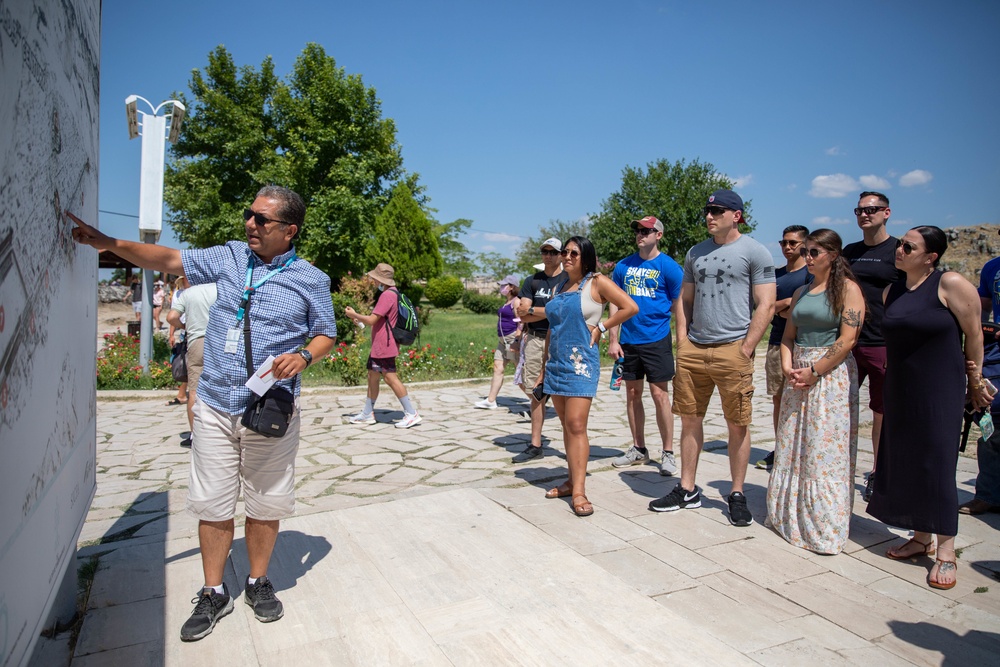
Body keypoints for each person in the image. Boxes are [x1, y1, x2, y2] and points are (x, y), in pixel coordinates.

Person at [69, 184, 337, 640]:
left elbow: (325, 332)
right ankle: (213, 591)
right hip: (214, 403)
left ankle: (257, 580)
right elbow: (169, 259)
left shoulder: (311, 278)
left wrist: (306, 357)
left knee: (265, 500)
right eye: (248, 214)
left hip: (270, 408)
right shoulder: (231, 256)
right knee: (212, 502)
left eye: (262, 219)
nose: (250, 224)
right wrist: (109, 244)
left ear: (289, 231)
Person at [867, 226, 992, 590]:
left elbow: (974, 334)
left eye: (909, 246)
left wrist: (976, 381)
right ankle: (921, 537)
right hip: (901, 388)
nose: (900, 249)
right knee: (906, 460)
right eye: (901, 244)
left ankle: (947, 550)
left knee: (937, 463)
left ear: (930, 256)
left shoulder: (949, 283)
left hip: (940, 388)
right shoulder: (892, 291)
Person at [649, 189, 776, 526]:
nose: (710, 216)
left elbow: (766, 303)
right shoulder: (696, 253)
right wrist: (682, 340)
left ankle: (736, 493)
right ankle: (687, 489)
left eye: (718, 210)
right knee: (689, 419)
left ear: (737, 215)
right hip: (695, 350)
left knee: (737, 424)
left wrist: (747, 347)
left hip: (732, 349)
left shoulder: (755, 251)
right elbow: (684, 300)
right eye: (707, 210)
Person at [766, 229, 865, 554]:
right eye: (805, 251)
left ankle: (822, 524)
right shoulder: (801, 292)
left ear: (833, 256)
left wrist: (815, 370)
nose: (806, 258)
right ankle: (787, 516)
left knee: (823, 445)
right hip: (798, 370)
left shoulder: (849, 290)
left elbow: (848, 338)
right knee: (793, 441)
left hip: (829, 373)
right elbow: (787, 335)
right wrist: (787, 365)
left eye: (814, 253)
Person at [539, 236, 637, 516]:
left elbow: (630, 307)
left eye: (573, 253)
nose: (567, 257)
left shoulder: (597, 282)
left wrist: (602, 328)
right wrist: (545, 367)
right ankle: (571, 480)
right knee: (566, 427)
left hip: (581, 364)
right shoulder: (559, 285)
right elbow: (551, 328)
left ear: (586, 257)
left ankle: (580, 491)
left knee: (577, 424)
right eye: (564, 252)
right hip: (556, 364)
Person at [607, 216, 683, 475]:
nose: (640, 234)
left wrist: (680, 337)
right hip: (628, 340)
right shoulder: (623, 266)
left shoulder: (669, 267)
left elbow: (679, 303)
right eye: (638, 230)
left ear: (658, 235)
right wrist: (613, 339)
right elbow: (614, 303)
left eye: (646, 231)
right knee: (632, 394)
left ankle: (668, 452)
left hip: (656, 339)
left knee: (660, 395)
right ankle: (639, 448)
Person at [843, 191, 903, 501]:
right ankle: (838, 468)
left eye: (873, 209)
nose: (865, 214)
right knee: (839, 407)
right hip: (848, 341)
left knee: (881, 412)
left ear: (887, 212)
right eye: (860, 209)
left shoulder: (898, 250)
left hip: (882, 342)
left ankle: (879, 473)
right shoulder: (850, 252)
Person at [757, 225, 811, 471]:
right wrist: (785, 304)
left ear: (805, 244)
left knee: (804, 400)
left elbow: (802, 309)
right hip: (777, 342)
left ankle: (802, 449)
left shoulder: (810, 274)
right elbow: (764, 307)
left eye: (793, 243)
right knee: (778, 398)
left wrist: (784, 306)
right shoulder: (776, 275)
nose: (787, 247)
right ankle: (781, 447)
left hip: (806, 344)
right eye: (784, 243)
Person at [344, 263, 422, 429]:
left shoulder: (387, 296)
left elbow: (372, 320)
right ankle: (367, 413)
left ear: (380, 279)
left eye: (373, 278)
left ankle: (411, 413)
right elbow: (377, 320)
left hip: (385, 344)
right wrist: (359, 319)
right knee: (373, 375)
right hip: (381, 344)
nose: (372, 281)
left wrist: (353, 314)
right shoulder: (393, 293)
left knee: (390, 377)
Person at [512, 238, 566, 463]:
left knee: (565, 394)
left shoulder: (567, 280)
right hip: (535, 339)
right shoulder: (532, 280)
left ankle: (572, 443)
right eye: (544, 251)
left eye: (553, 252)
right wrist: (545, 310)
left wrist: (535, 309)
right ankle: (535, 444)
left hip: (560, 340)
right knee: (535, 391)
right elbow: (523, 314)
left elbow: (564, 312)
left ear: (561, 254)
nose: (548, 256)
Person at [960, 252, 1000, 515]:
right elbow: (982, 304)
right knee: (990, 415)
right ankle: (988, 493)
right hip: (996, 349)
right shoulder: (992, 267)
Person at [167, 280, 219, 447]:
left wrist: (184, 326)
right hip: (220, 341)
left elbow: (171, 317)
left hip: (196, 340)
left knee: (194, 390)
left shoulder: (188, 293)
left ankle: (195, 435)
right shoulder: (220, 288)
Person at [474, 274, 523, 409]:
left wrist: (517, 340)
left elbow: (521, 322)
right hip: (502, 341)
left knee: (520, 372)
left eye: (504, 285)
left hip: (511, 339)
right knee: (498, 368)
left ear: (512, 287)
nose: (502, 287)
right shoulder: (506, 302)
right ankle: (491, 400)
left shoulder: (516, 301)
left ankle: (536, 399)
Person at [167, 276, 190, 407]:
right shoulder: (179, 294)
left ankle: (182, 394)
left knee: (188, 363)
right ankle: (182, 394)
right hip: (185, 329)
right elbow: (173, 314)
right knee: (185, 363)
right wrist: (172, 334)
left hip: (190, 329)